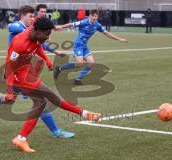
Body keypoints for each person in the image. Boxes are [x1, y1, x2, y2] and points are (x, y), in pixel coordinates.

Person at [0, 5, 75, 139]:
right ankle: (55, 132)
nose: (34, 18)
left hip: (22, 71)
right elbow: (12, 28)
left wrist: (51, 55)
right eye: (32, 15)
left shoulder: (33, 30)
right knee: (40, 101)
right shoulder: (18, 27)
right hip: (14, 71)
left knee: (11, 99)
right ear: (22, 15)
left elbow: (40, 44)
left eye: (40, 14)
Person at [6, 17, 101, 152]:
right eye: (47, 34)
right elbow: (9, 67)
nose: (48, 37)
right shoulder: (19, 42)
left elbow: (37, 46)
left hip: (26, 73)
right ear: (38, 31)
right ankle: (85, 114)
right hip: (18, 76)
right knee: (51, 97)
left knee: (40, 103)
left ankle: (21, 139)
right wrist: (10, 91)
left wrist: (48, 60)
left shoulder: (36, 35)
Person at [54, 10, 127, 85]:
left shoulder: (97, 25)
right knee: (79, 64)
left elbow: (107, 33)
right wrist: (61, 26)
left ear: (97, 17)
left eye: (96, 16)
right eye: (93, 16)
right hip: (78, 45)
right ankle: (59, 68)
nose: (94, 17)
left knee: (91, 63)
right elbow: (71, 24)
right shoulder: (84, 22)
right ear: (90, 16)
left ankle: (78, 79)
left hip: (84, 46)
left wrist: (119, 39)